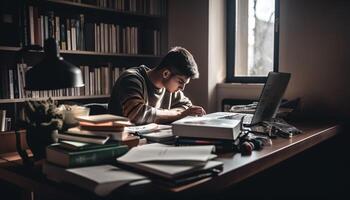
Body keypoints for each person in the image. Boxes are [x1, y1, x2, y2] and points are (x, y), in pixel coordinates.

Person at [108, 46, 206, 125]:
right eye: (180, 82)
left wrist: (181, 113)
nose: (182, 88)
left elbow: (188, 107)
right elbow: (136, 114)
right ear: (166, 74)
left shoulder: (171, 90)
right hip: (121, 143)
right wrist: (179, 114)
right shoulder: (131, 79)